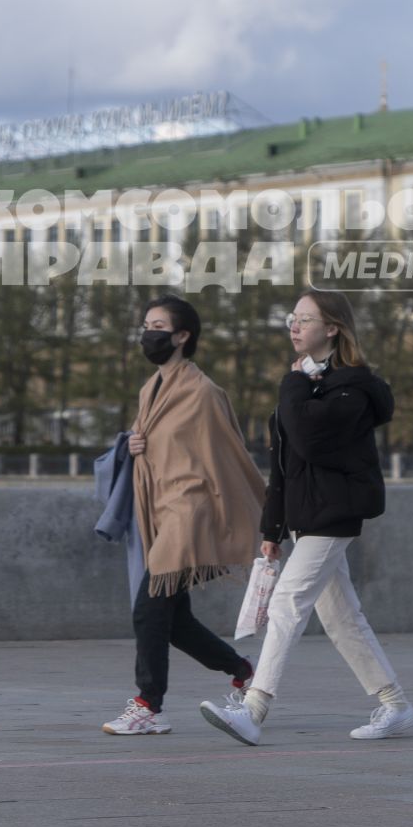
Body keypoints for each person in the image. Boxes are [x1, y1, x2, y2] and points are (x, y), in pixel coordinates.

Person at [198, 288, 413, 744]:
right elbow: (284, 463)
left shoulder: (353, 387)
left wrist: (293, 383)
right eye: (291, 319)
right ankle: (395, 704)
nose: (293, 326)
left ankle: (254, 709)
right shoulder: (307, 383)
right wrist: (272, 528)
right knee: (342, 618)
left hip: (334, 514)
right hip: (303, 514)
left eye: (304, 319)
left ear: (332, 328)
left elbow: (309, 437)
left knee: (287, 603)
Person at [102, 294, 267, 735]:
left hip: (190, 512)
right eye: (145, 325)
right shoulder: (150, 389)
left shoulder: (204, 392)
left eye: (157, 326)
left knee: (148, 612)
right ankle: (244, 671)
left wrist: (265, 510)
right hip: (158, 511)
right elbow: (157, 446)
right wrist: (135, 445)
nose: (147, 333)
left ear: (181, 336)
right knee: (174, 621)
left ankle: (148, 706)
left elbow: (229, 454)